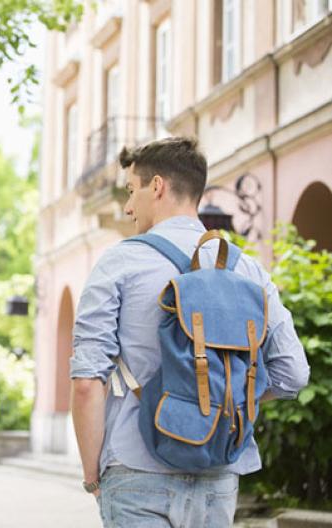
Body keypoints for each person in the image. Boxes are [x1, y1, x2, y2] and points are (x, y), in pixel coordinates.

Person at [70, 137, 310, 527]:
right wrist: (222, 399)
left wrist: (91, 475)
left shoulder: (119, 262)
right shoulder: (247, 270)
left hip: (135, 467)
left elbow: (86, 382)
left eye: (132, 191)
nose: (128, 207)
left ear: (158, 186)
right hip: (219, 471)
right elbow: (293, 373)